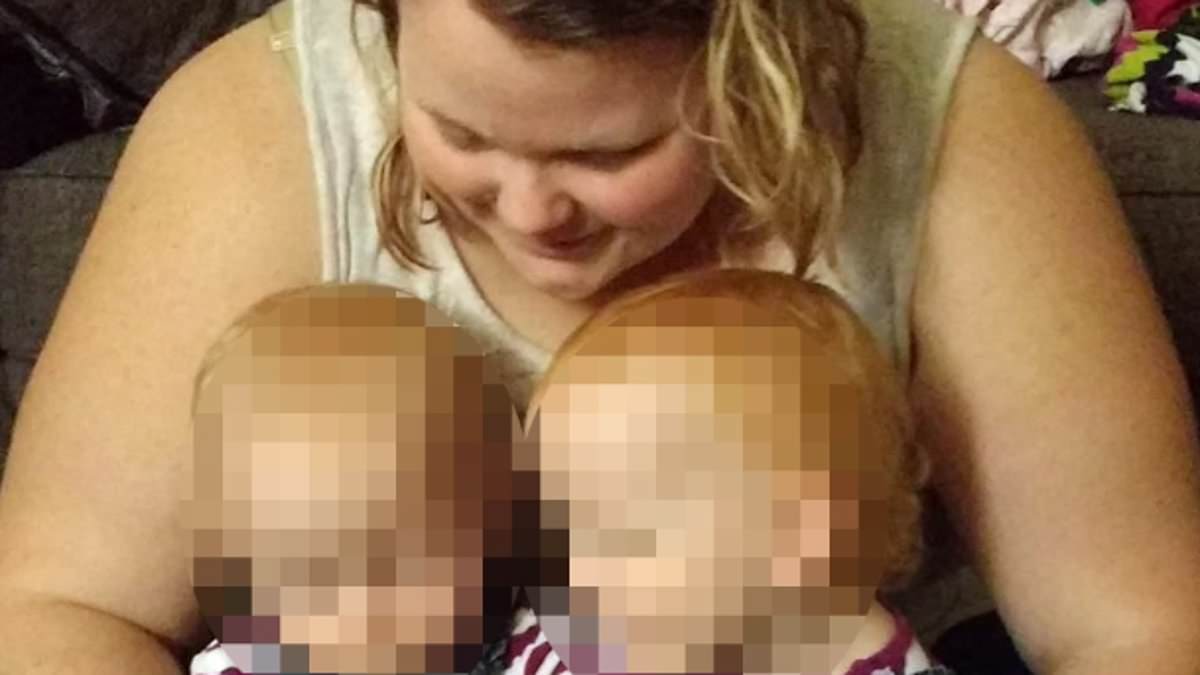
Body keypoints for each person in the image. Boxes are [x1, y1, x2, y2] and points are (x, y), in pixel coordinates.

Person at [0, 0, 1197, 672]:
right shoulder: (254, 124)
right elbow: (58, 608)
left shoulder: (954, 127)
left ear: (765, 47)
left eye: (610, 151)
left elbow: (1141, 629)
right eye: (462, 132)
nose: (532, 212)